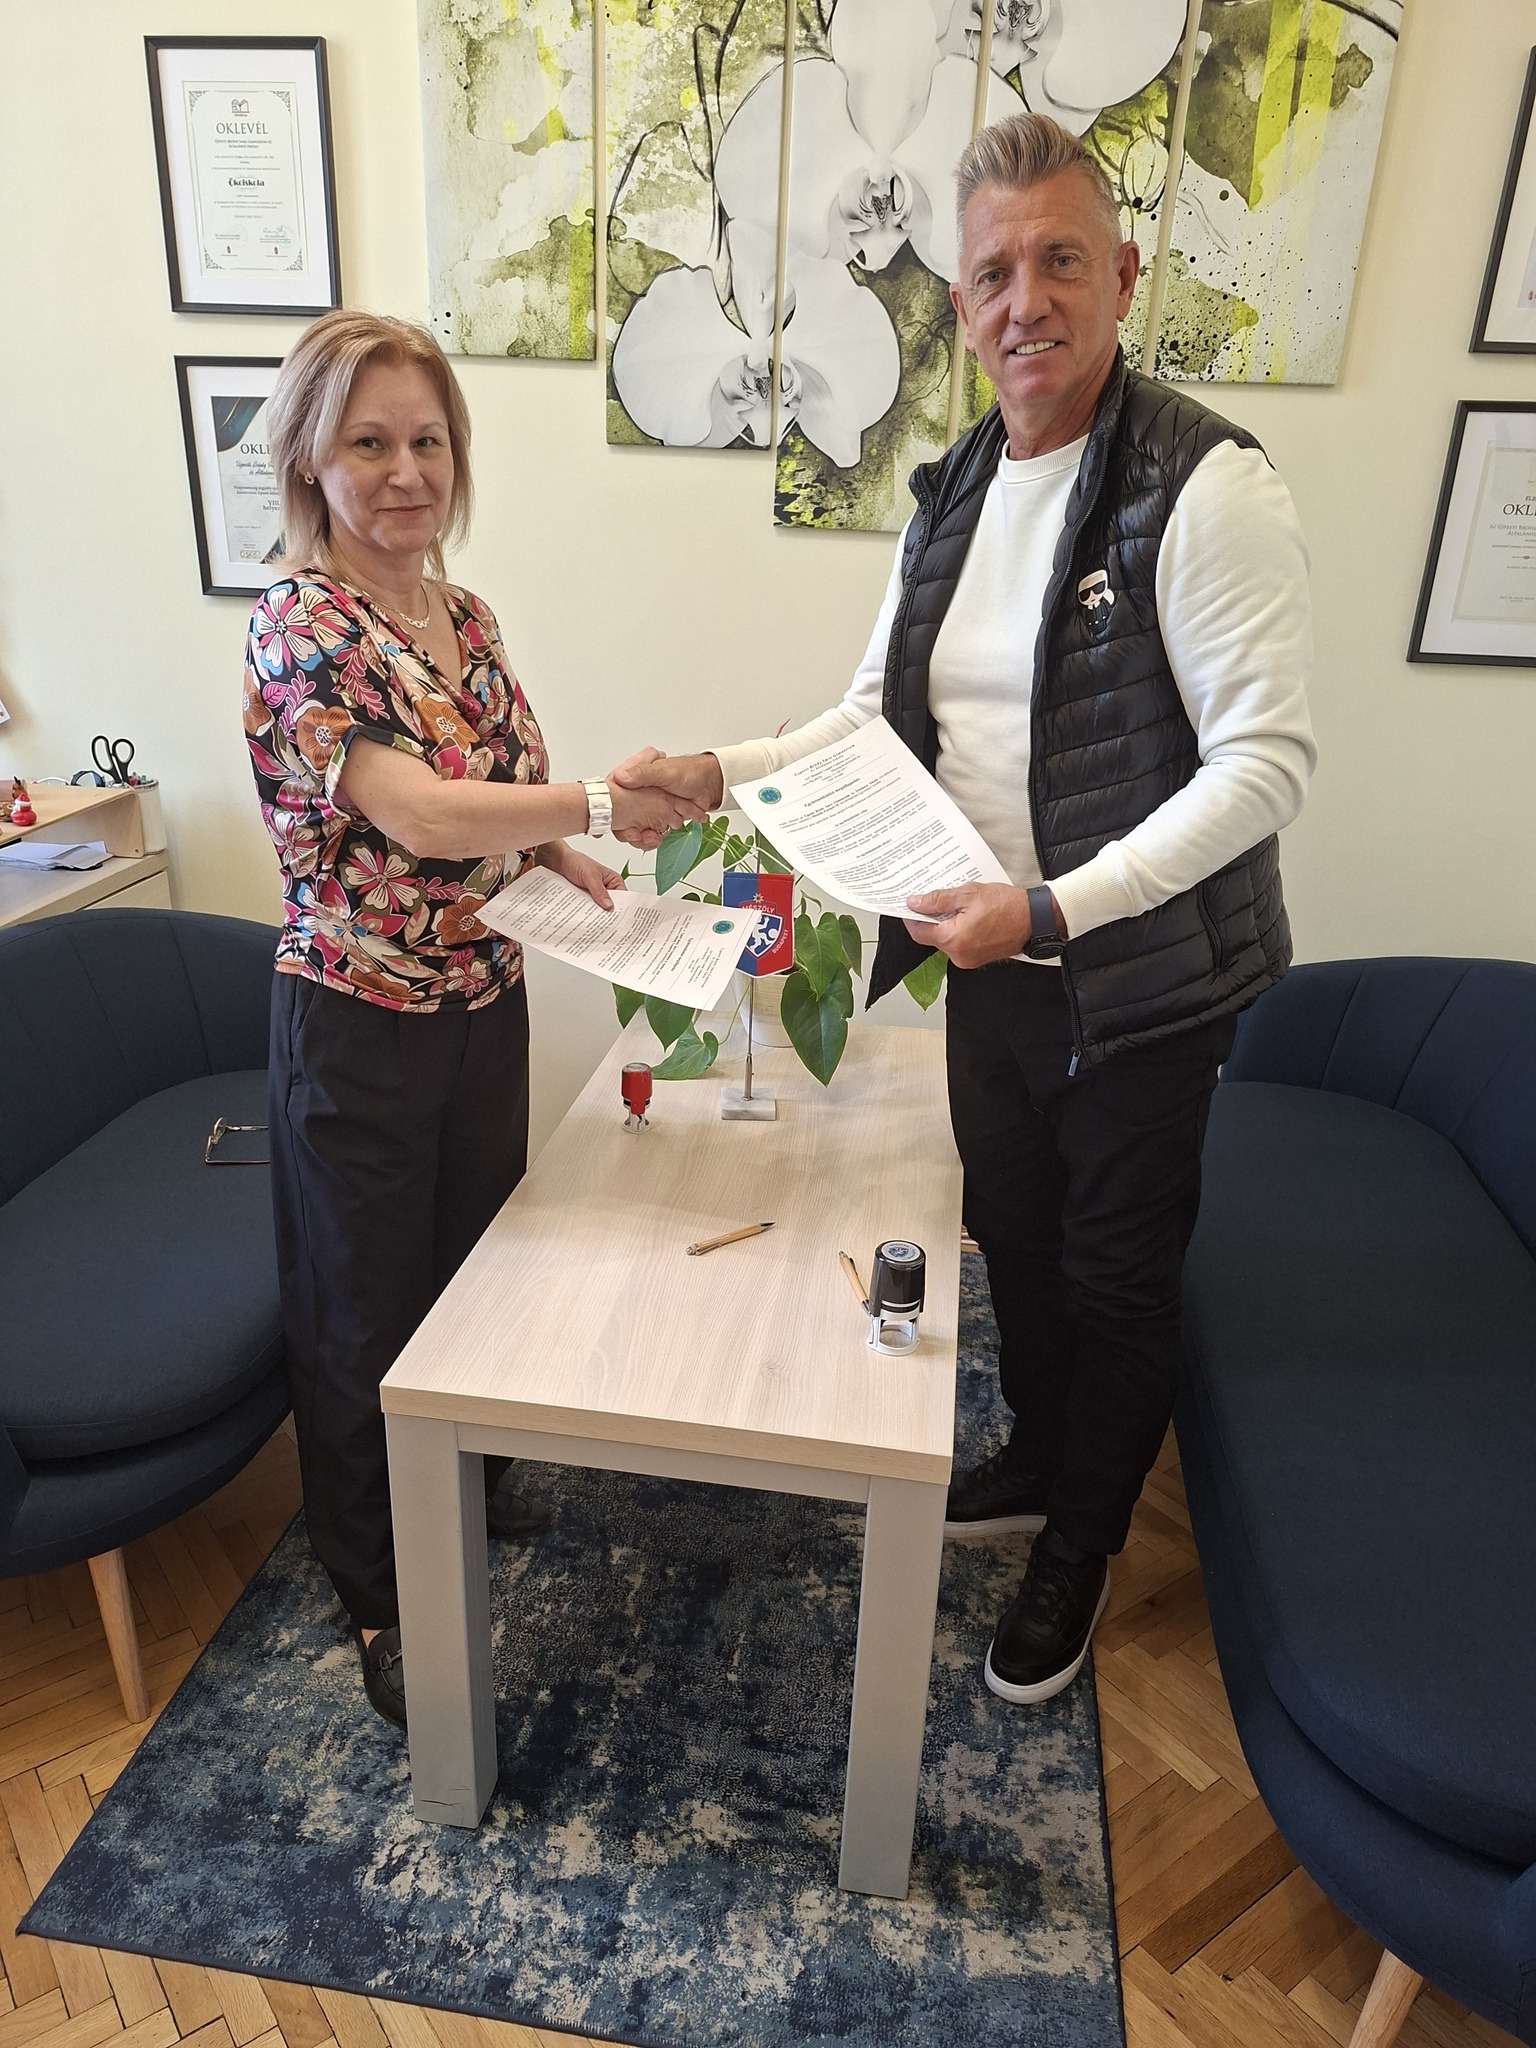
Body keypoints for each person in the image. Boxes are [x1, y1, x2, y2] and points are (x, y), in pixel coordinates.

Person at [615, 114, 1316, 1706]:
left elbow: (1265, 768)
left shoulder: (1205, 485)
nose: (1025, 300)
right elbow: (869, 715)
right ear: (961, 303)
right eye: (994, 272)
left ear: (1122, 277)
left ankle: (1086, 1542)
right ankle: (1041, 1455)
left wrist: (1052, 910)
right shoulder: (950, 490)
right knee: (1019, 1241)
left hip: (1139, 984)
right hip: (986, 962)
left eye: (1061, 260)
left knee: (1119, 1278)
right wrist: (713, 772)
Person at [244, 310, 701, 1729]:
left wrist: (564, 853)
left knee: (474, 1276)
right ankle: (380, 1593)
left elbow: (500, 792)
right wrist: (600, 805)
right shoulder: (299, 626)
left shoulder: (469, 617)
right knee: (361, 1314)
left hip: (483, 1000)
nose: (405, 472)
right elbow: (425, 812)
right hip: (358, 1023)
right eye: (370, 443)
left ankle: (473, 1481)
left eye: (428, 441)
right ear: (311, 460)